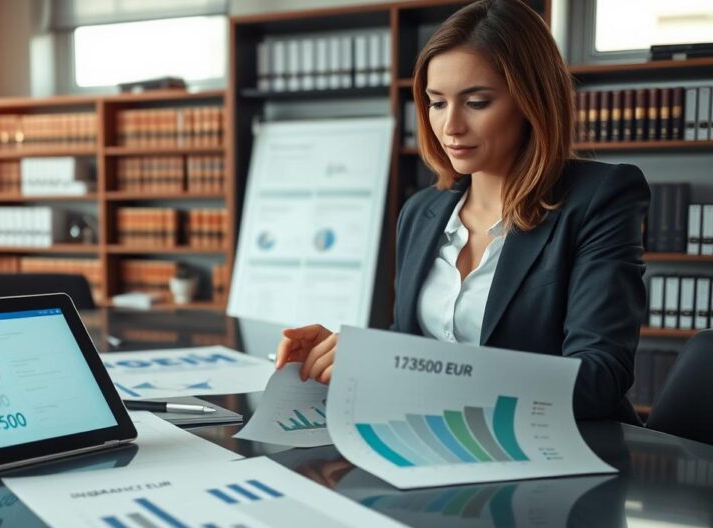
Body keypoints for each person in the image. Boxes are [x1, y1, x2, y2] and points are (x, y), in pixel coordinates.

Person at [274, 0, 649, 423]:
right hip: (441, 438)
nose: (450, 126)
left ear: (531, 102)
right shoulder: (422, 211)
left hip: (562, 450)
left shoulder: (600, 197)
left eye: (476, 102)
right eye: (437, 103)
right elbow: (413, 342)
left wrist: (424, 375)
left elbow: (599, 377)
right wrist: (356, 355)